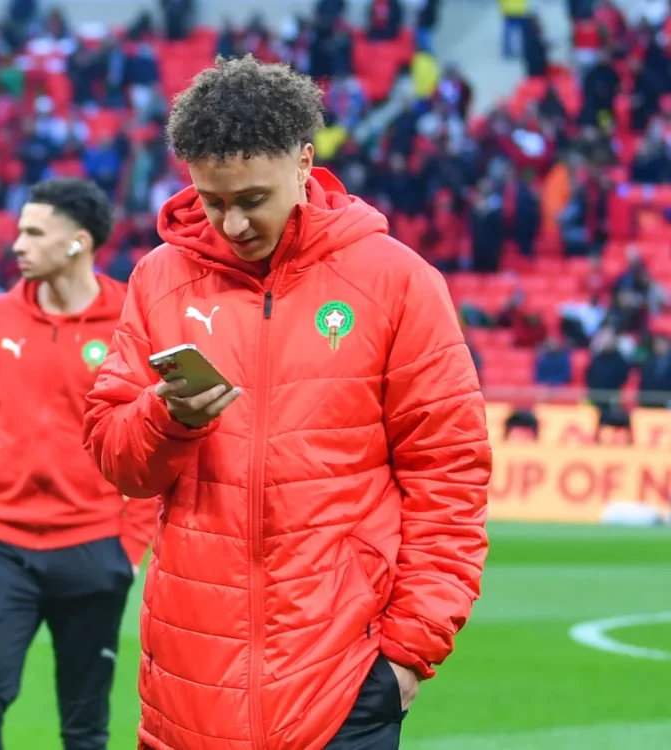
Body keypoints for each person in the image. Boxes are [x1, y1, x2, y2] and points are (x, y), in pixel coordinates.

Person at [82, 56, 492, 750]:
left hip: (344, 681)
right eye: (212, 201)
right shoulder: (158, 279)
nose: (231, 223)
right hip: (188, 682)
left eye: (251, 200)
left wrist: (407, 654)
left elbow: (448, 475)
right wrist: (168, 417)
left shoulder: (396, 282)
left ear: (305, 162)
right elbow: (119, 463)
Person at [0, 178, 155, 750]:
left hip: (94, 551)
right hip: (2, 550)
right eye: (19, 230)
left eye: (34, 233)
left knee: (85, 723)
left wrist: (129, 545)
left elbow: (151, 435)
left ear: (78, 242)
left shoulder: (130, 321)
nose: (17, 243)